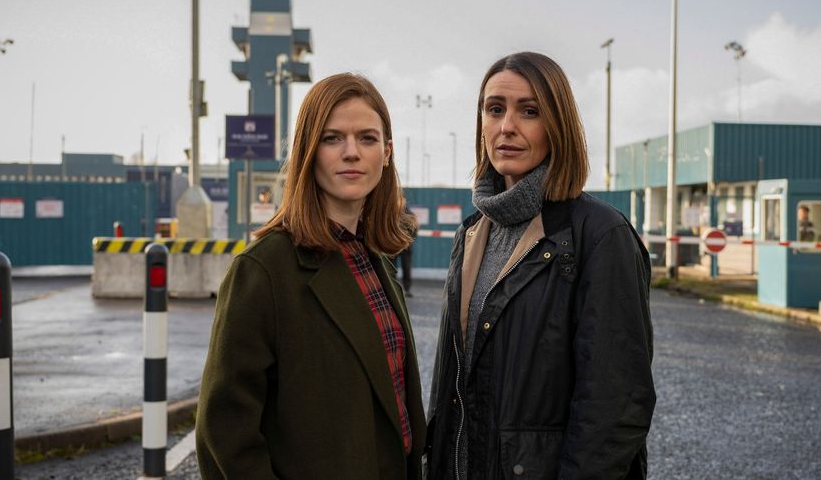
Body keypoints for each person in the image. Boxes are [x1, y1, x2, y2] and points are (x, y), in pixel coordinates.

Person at [425, 52, 655, 479]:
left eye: (529, 111)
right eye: (495, 109)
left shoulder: (600, 235)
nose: (506, 126)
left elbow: (615, 406)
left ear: (558, 125)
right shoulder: (472, 233)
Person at [197, 73, 426, 480]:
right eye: (332, 138)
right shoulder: (263, 270)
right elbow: (225, 431)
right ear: (308, 151)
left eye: (368, 138)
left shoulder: (375, 259)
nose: (352, 153)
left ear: (387, 153)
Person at [398, 205, 419, 296]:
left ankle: (407, 289)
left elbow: (414, 229)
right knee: (391, 268)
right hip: (394, 246)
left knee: (406, 268)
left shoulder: (409, 214)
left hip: (405, 247)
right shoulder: (391, 211)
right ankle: (393, 289)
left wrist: (408, 241)